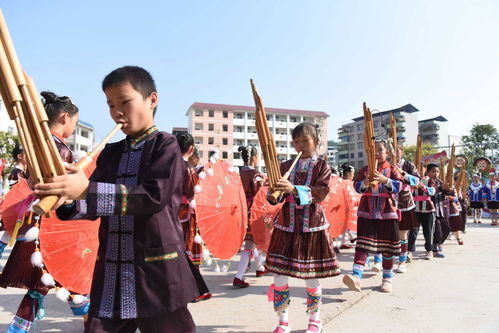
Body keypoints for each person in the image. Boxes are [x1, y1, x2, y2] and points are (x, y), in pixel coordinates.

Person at [35, 66, 198, 332]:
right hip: (111, 273)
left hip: (156, 271)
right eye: (111, 105)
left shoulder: (165, 145)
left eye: (125, 102)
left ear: (152, 100)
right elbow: (88, 206)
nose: (117, 112)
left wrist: (87, 188)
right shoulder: (109, 153)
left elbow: (152, 198)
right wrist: (64, 197)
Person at [0, 91, 85, 332]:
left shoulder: (36, 145)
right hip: (51, 225)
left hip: (33, 220)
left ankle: (91, 319)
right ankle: (94, 321)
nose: (74, 128)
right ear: (65, 117)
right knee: (58, 278)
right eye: (75, 123)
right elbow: (61, 192)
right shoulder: (60, 150)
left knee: (48, 282)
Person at [266, 123, 340, 333]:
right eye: (296, 142)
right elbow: (274, 199)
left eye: (305, 141)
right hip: (286, 225)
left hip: (311, 226)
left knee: (311, 276)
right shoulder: (284, 166)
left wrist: (293, 189)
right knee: (279, 276)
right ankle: (283, 322)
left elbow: (321, 192)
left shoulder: (322, 166)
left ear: (316, 142)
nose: (300, 146)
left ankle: (315, 321)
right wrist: (275, 192)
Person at [343, 140, 402, 294]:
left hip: (387, 212)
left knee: (387, 247)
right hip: (366, 212)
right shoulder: (364, 170)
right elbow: (356, 187)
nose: (376, 153)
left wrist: (385, 180)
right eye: (372, 151)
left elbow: (399, 186)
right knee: (362, 245)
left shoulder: (393, 169)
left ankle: (387, 279)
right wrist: (365, 182)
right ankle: (356, 276)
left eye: (380, 150)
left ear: (387, 153)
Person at [233, 145, 267, 288]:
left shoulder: (238, 174)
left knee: (253, 241)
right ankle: (239, 276)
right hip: (253, 211)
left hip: (239, 211)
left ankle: (260, 268)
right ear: (254, 157)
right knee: (250, 243)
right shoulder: (256, 175)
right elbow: (261, 195)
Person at [409, 164, 437, 260]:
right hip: (415, 208)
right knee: (413, 231)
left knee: (428, 231)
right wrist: (412, 188)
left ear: (425, 170)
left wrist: (423, 187)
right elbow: (407, 191)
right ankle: (409, 251)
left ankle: (429, 250)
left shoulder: (430, 180)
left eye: (422, 168)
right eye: (417, 168)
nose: (420, 170)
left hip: (428, 209)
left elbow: (432, 191)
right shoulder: (412, 179)